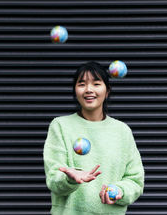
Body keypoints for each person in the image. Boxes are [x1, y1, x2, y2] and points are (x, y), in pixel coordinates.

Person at [43, 61, 145, 214]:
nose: (89, 89)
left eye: (96, 83)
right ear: (75, 90)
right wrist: (70, 178)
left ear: (107, 91)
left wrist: (119, 191)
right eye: (82, 84)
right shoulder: (60, 126)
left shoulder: (122, 131)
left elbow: (135, 180)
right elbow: (53, 178)